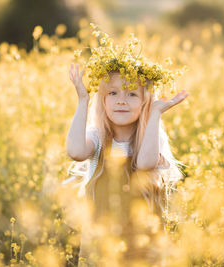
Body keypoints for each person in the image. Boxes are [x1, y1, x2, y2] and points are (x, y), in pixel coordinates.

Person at [64, 62, 188, 266]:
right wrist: (83, 100)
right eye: (113, 93)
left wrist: (155, 113)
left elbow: (145, 163)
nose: (121, 101)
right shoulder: (97, 139)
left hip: (143, 251)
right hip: (101, 249)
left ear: (144, 102)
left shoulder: (152, 138)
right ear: (102, 101)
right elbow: (76, 151)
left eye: (132, 94)